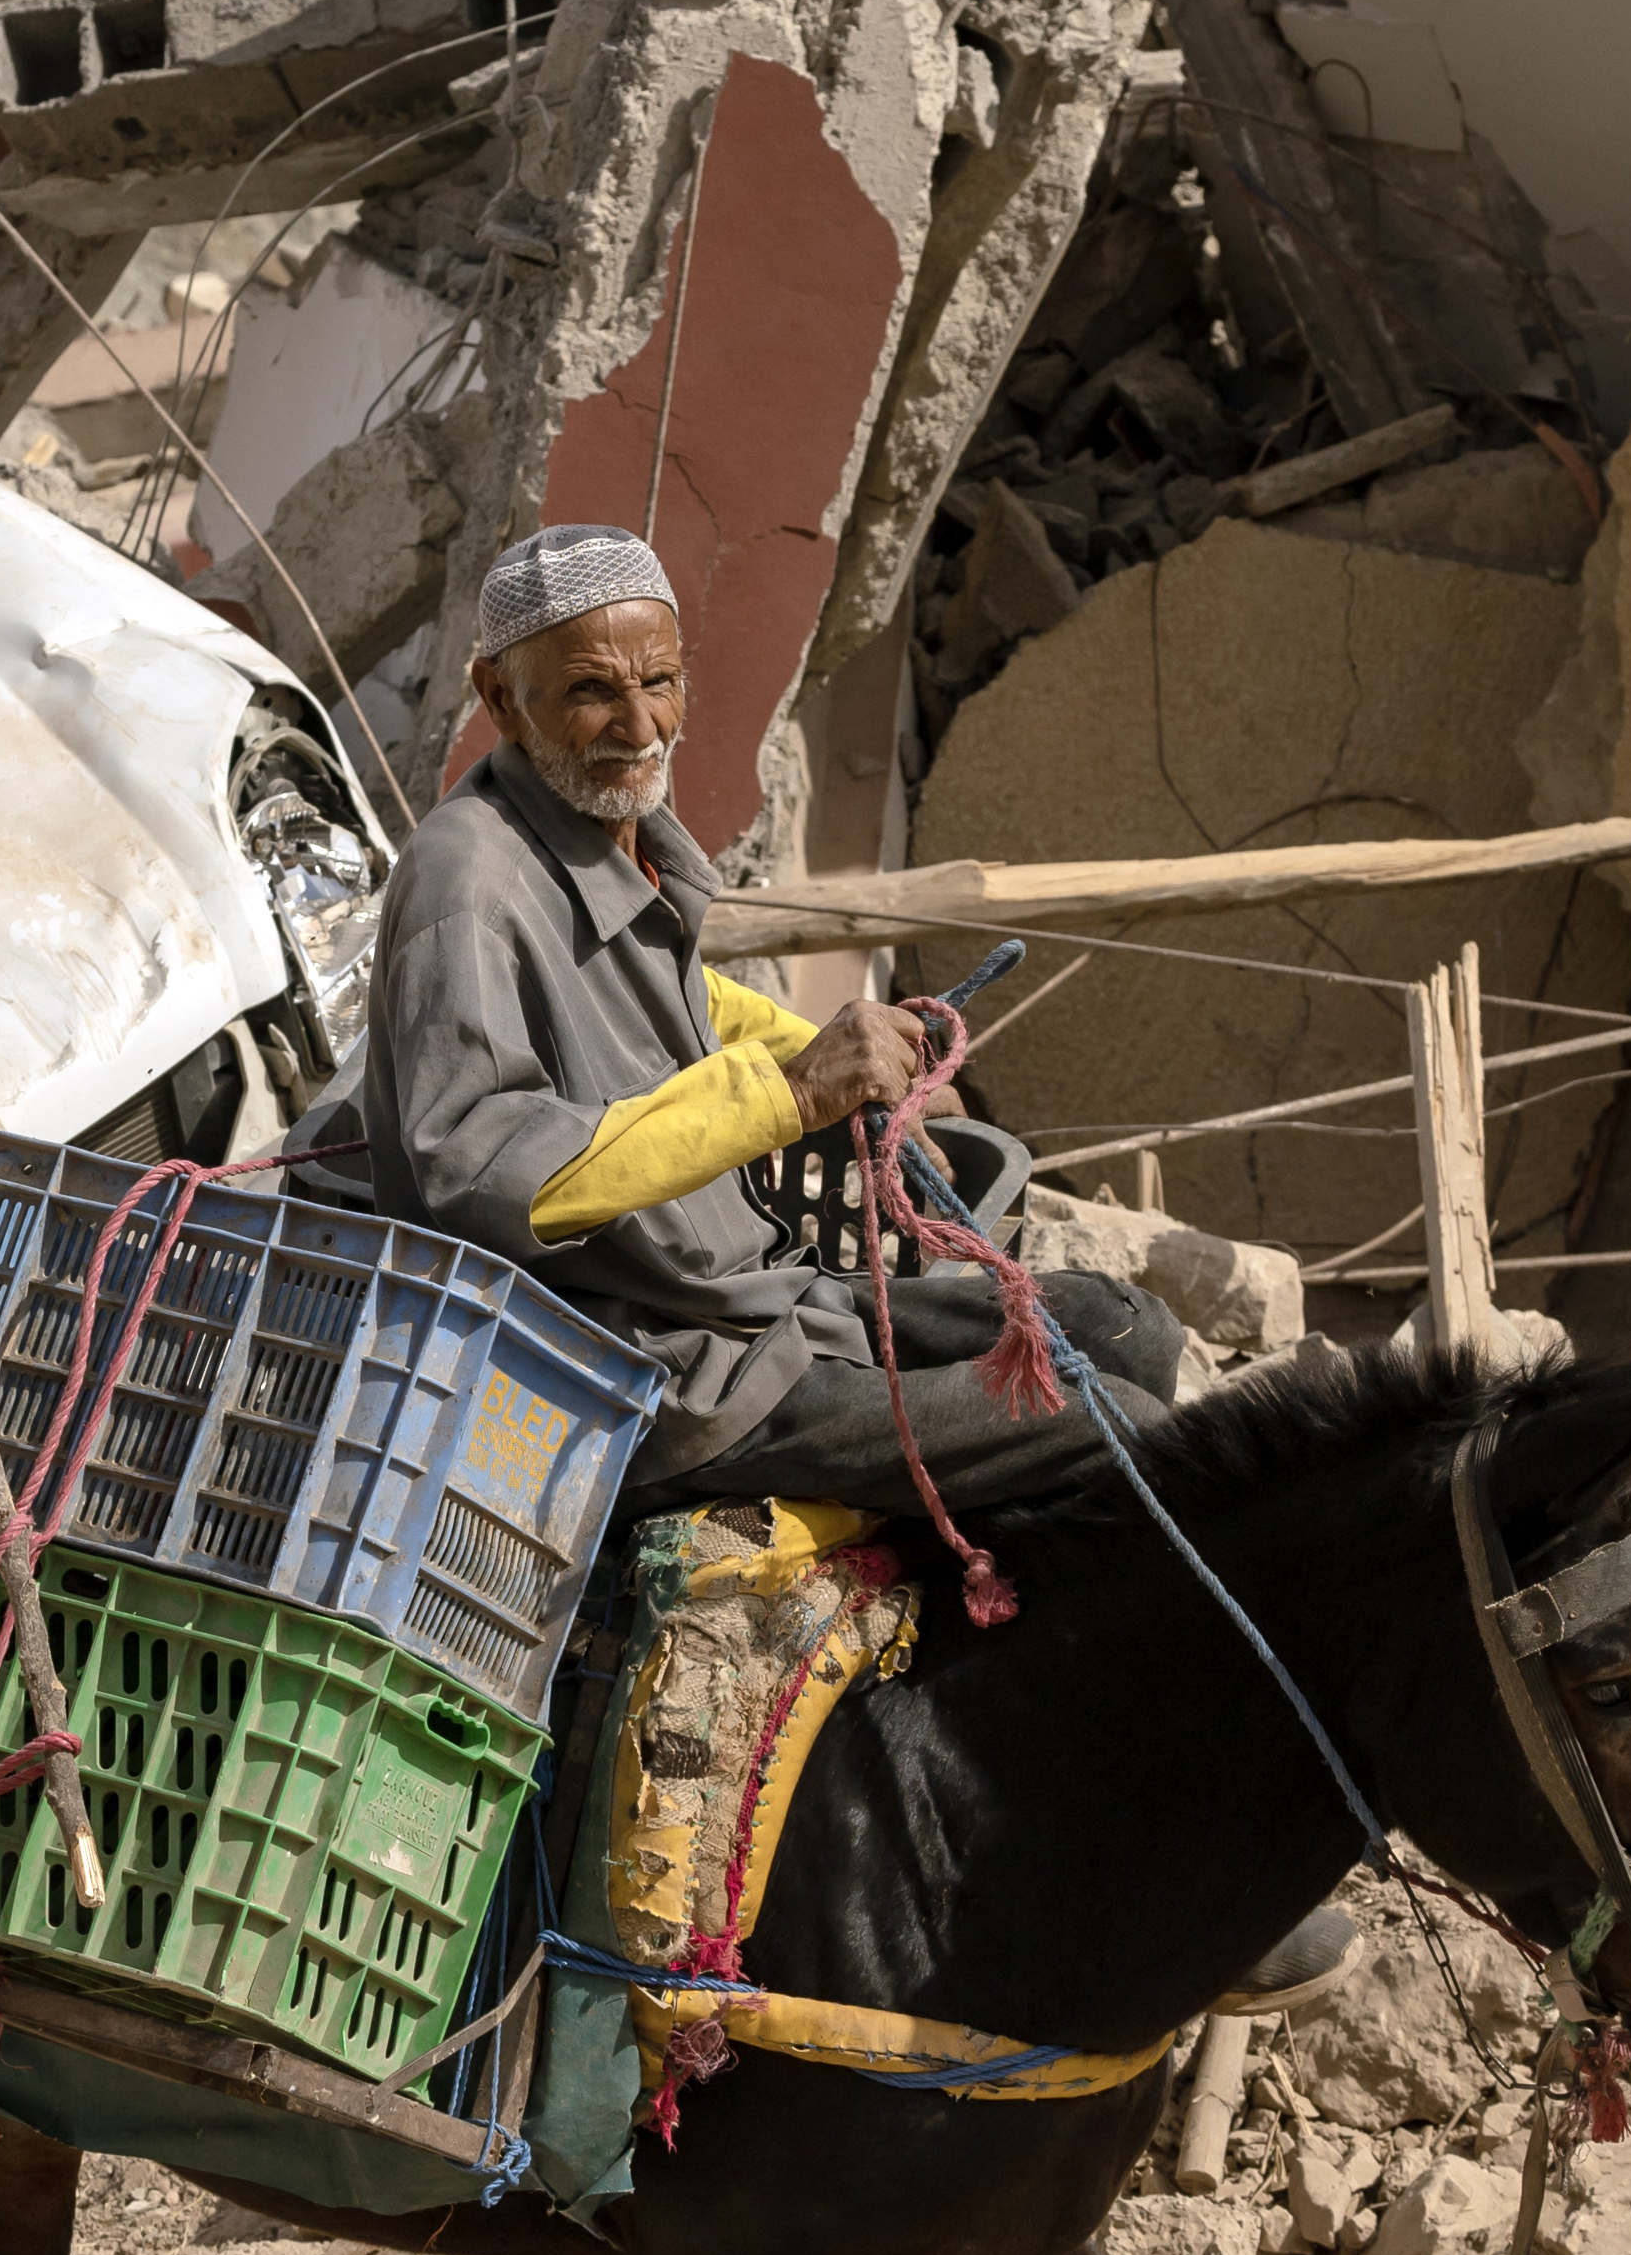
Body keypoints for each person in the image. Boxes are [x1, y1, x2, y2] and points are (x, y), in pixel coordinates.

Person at [356, 521, 1187, 1517]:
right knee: (1115, 1425)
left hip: (757, 1304)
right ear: (500, 697)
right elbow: (477, 1168)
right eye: (591, 692)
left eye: (658, 682)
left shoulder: (604, 830)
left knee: (1128, 1326)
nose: (639, 723)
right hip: (645, 1370)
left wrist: (854, 1055)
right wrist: (793, 1091)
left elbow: (679, 1001)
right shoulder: (469, 881)